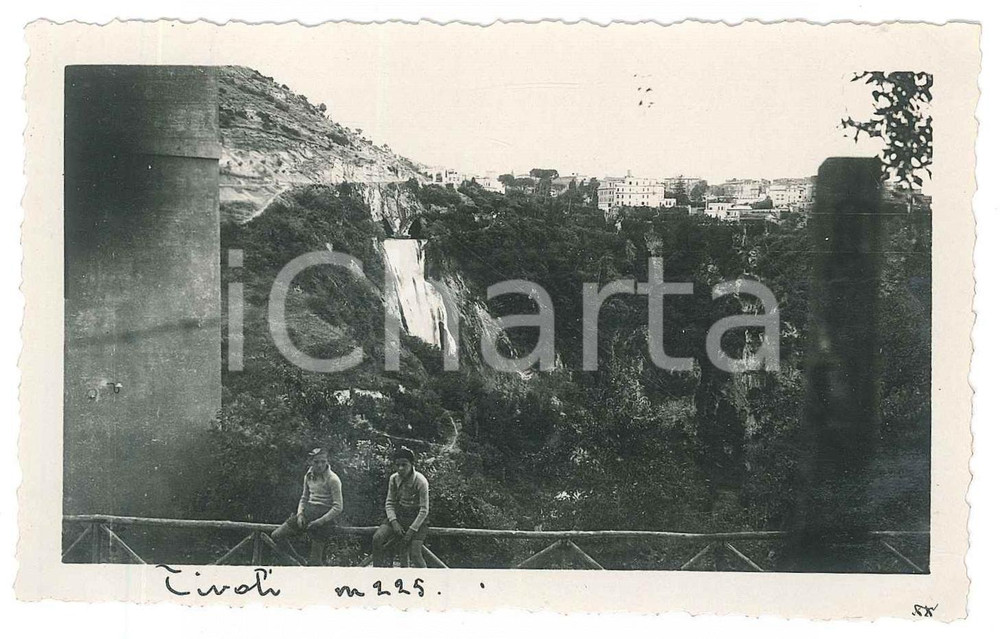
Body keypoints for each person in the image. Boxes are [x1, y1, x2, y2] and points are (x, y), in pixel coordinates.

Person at [271, 447, 343, 566]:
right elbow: (304, 498)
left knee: (315, 562)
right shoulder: (308, 476)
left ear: (327, 461)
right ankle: (299, 560)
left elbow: (338, 507)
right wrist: (300, 514)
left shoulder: (333, 479)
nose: (320, 465)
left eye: (323, 461)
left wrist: (320, 521)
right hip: (308, 513)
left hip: (324, 518)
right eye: (316, 462)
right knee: (277, 535)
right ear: (310, 462)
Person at [372, 447, 430, 568]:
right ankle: (377, 573)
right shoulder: (394, 479)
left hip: (417, 518)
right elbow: (389, 502)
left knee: (415, 554)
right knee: (377, 538)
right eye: (397, 465)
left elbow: (424, 509)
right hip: (399, 515)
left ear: (412, 464)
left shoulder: (421, 481)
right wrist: (394, 522)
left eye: (404, 465)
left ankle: (427, 581)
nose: (400, 468)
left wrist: (411, 530)